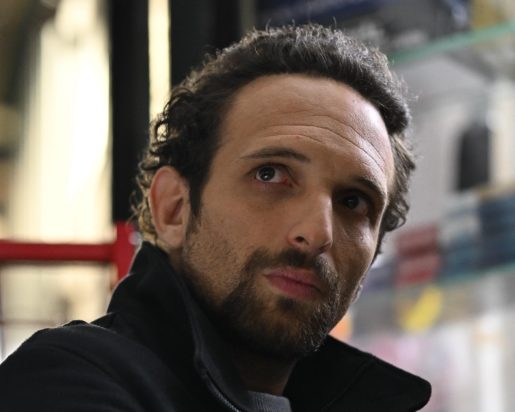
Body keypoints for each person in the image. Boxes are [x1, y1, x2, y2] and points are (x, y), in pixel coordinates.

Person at [0, 24, 431, 411]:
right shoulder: (65, 380)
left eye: (354, 202)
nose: (317, 232)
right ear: (174, 208)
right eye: (270, 174)